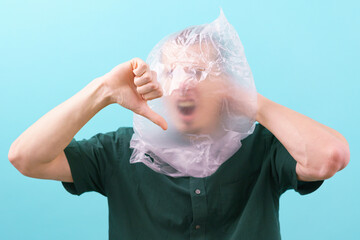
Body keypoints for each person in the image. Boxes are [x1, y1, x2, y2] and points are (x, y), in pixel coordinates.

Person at [8, 13, 350, 240]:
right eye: (170, 73)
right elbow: (26, 157)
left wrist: (250, 101)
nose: (183, 84)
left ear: (224, 86)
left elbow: (329, 156)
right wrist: (102, 91)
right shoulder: (119, 151)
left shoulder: (262, 147)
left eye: (199, 73)